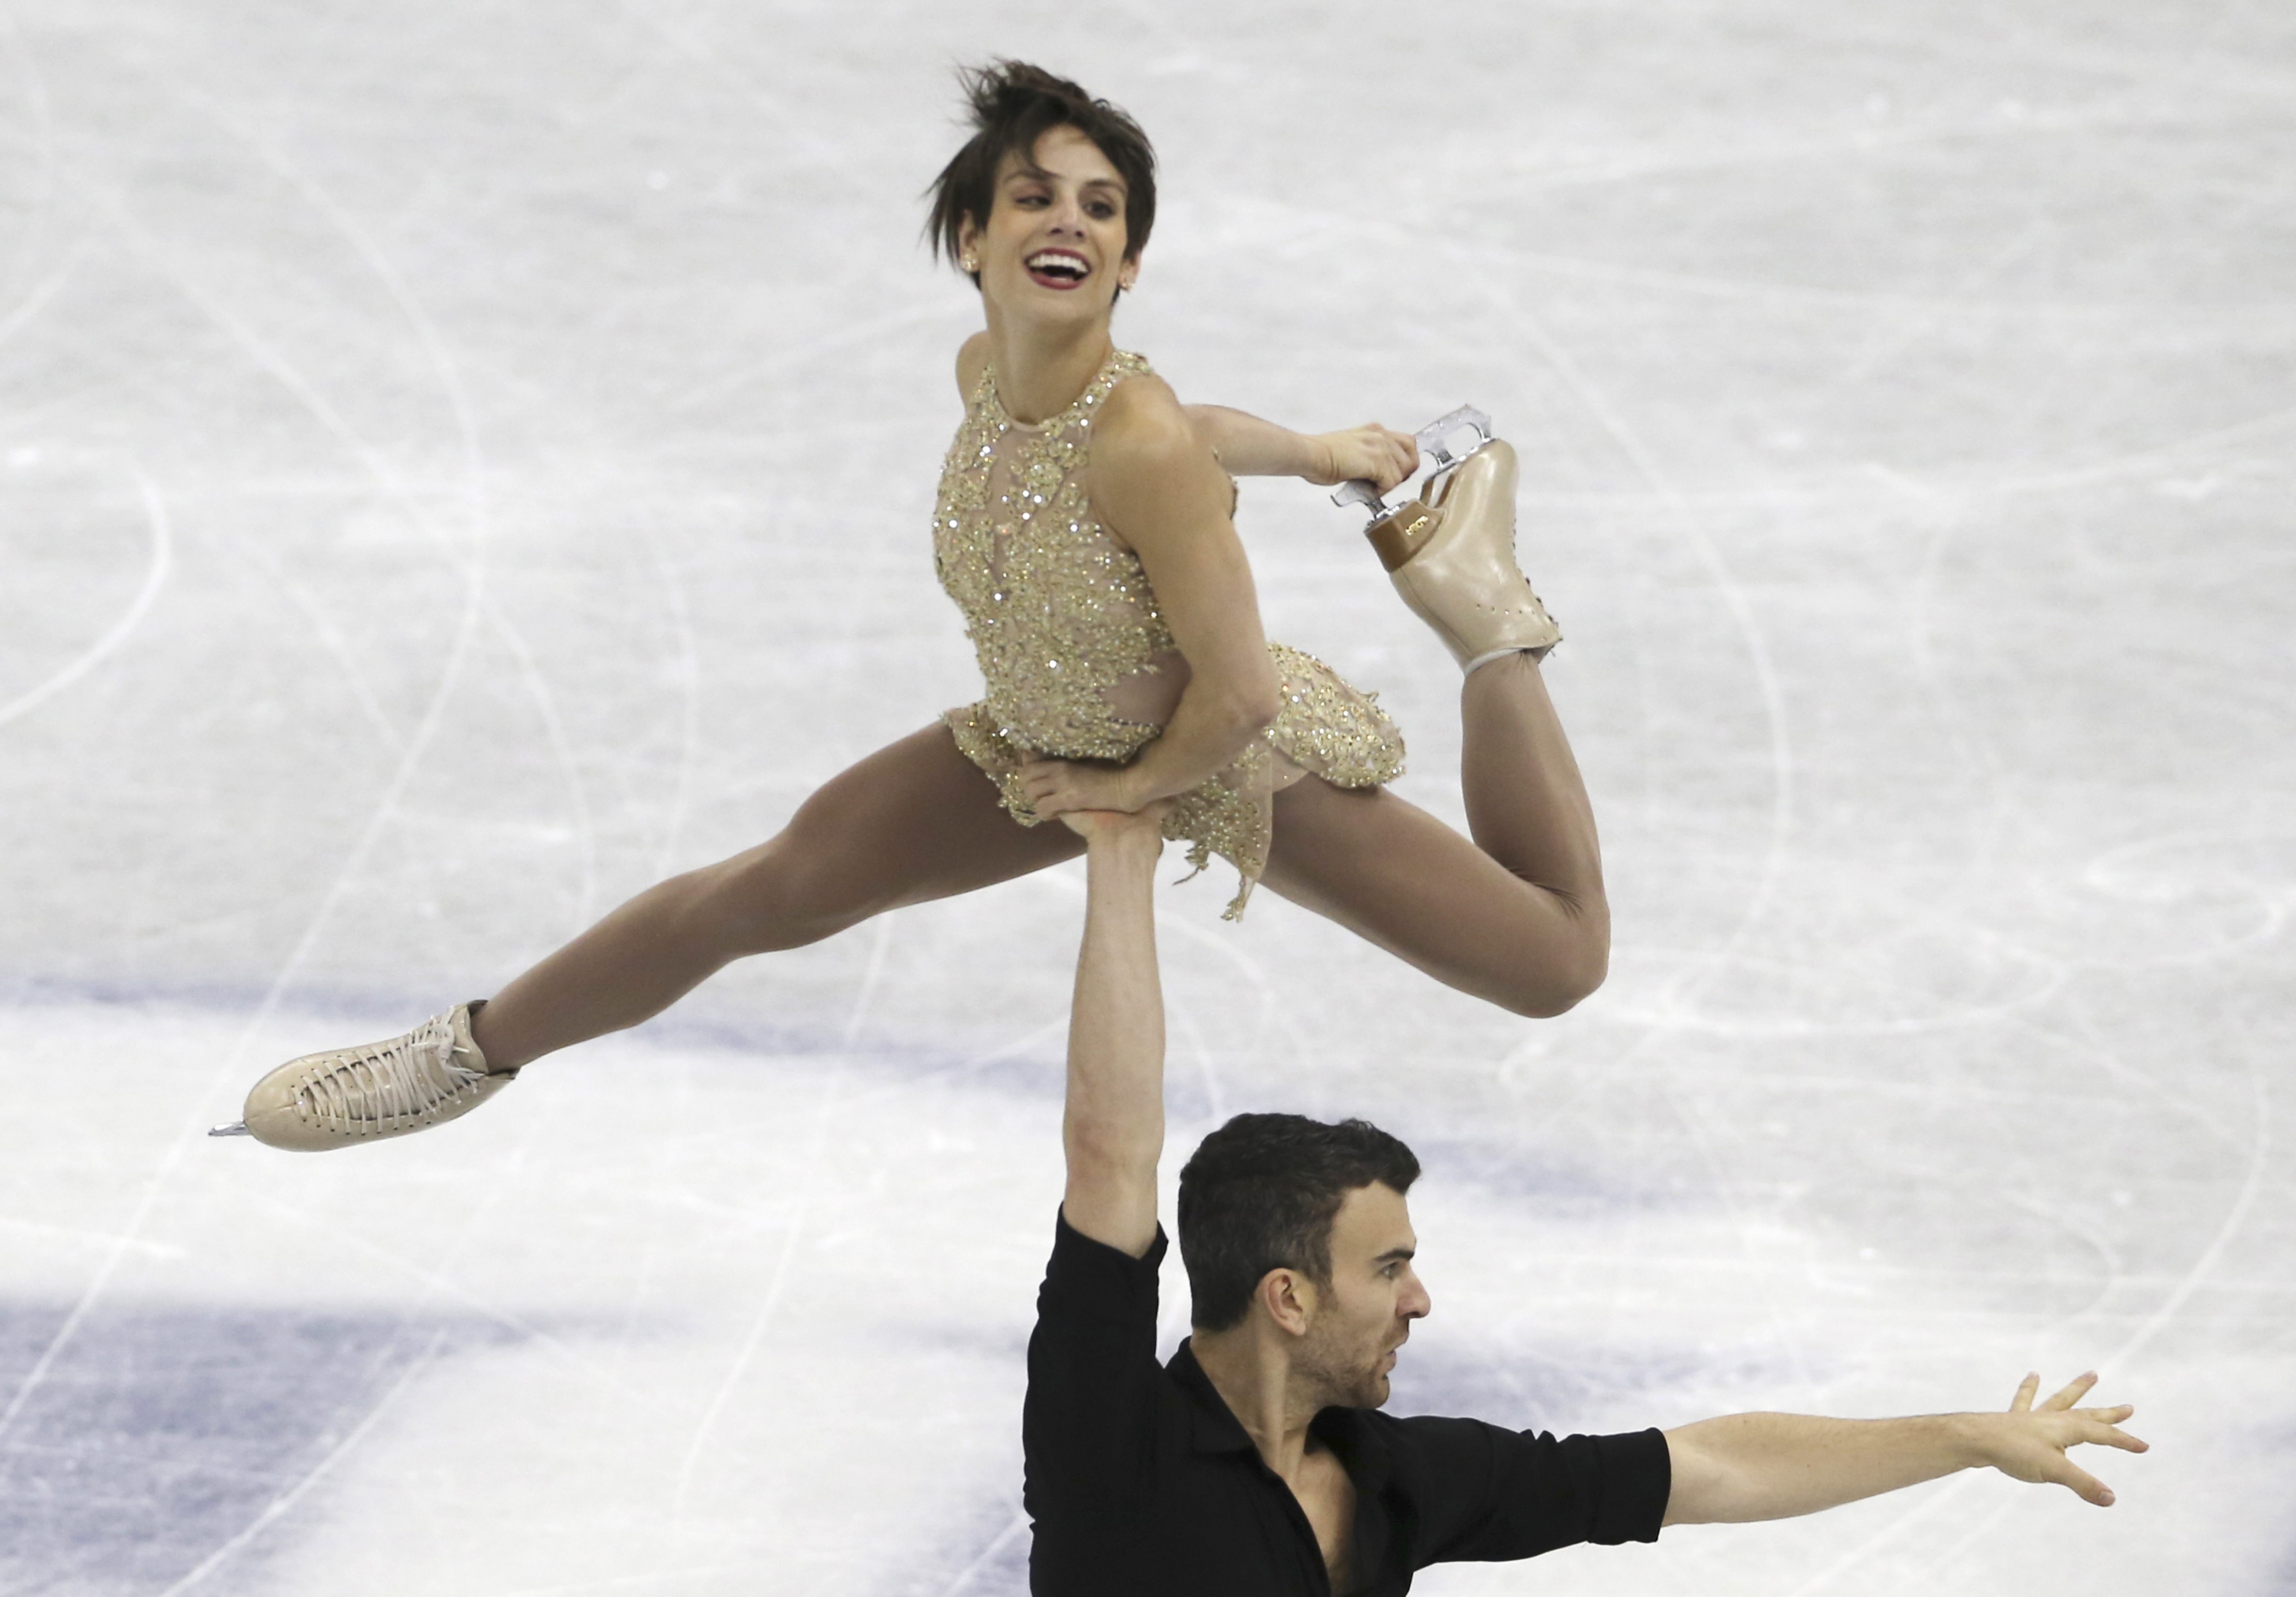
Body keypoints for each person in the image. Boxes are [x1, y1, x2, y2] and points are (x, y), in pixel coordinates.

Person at [216, 61, 1603, 1151]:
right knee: (775, 888)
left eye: (1104, 207)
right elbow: (1188, 416)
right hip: (1036, 737)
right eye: (1036, 196)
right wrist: (1309, 448)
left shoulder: (1144, 446)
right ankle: (463, 1051)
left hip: (1227, 762)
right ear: (971, 238)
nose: (1070, 217)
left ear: (1128, 267)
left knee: (1552, 963)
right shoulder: (985, 377)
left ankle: (1487, 615)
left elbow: (1232, 686)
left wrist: (1129, 796)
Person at [1033, 798, 2148, 1595]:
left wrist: (1963, 1435)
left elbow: (1702, 1467)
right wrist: (1121, 854)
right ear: (1286, 1295)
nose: (1420, 1298)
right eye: (1386, 1266)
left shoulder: (1395, 1478)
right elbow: (1110, 1151)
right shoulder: (1111, 1445)